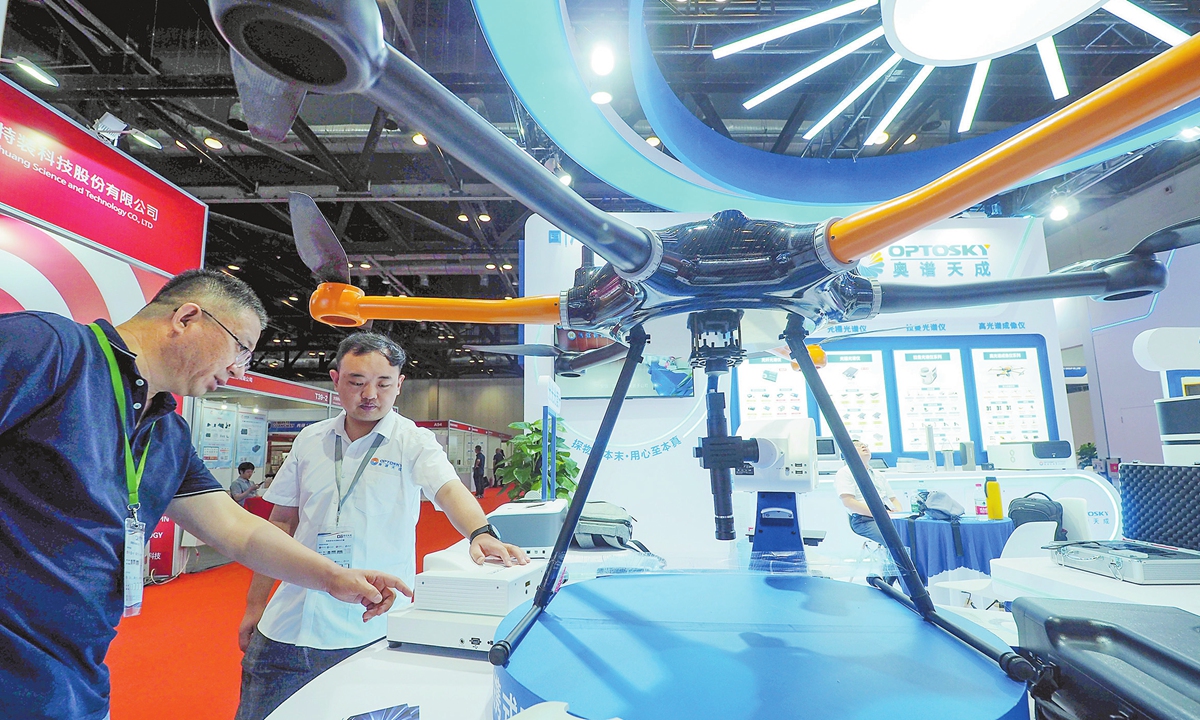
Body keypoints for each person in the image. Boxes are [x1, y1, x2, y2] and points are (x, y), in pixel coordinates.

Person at [0, 269, 410, 720]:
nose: (239, 369)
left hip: (71, 674)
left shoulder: (166, 433)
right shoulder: (50, 349)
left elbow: (237, 531)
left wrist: (332, 578)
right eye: (241, 348)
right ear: (188, 318)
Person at [236, 332, 528, 720]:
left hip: (369, 627)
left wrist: (480, 533)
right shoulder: (310, 440)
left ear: (400, 384)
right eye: (357, 382)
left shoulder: (412, 441)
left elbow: (448, 489)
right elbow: (279, 525)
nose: (370, 393)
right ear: (335, 379)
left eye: (383, 383)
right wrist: (255, 606)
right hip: (287, 624)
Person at [834, 440, 904, 545]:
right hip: (865, 520)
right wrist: (881, 515)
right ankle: (899, 561)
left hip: (888, 516)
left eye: (865, 444)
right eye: (857, 445)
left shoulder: (878, 474)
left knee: (912, 534)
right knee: (896, 538)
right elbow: (848, 502)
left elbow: (892, 499)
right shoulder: (845, 472)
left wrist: (899, 513)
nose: (863, 446)